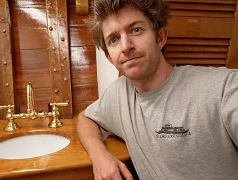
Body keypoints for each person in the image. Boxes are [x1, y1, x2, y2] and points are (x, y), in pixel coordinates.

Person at [76, 0, 238, 179]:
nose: (125, 46)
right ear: (109, 57)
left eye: (136, 30)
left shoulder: (223, 88)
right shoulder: (118, 94)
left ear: (160, 38)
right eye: (114, 39)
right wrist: (100, 156)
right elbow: (85, 119)